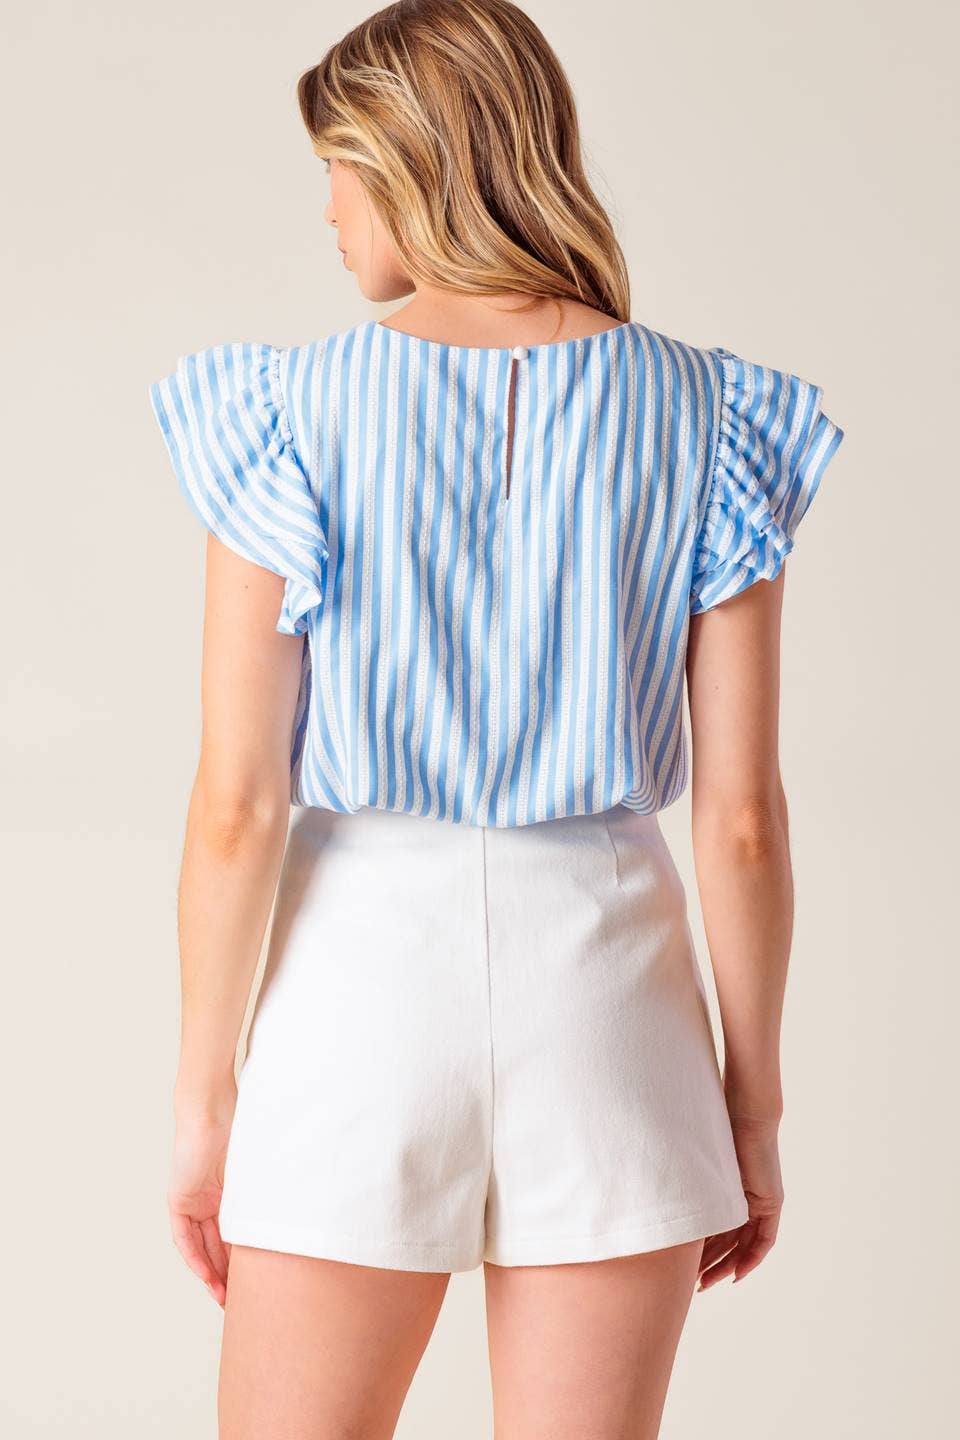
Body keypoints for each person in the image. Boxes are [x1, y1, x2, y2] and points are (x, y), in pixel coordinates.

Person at [146, 1, 845, 1435]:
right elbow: (741, 821)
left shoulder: (287, 414)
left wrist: (206, 1103)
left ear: (406, 163)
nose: (327, 212)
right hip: (614, 993)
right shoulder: (710, 418)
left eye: (336, 168)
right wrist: (752, 1107)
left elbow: (236, 807)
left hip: (355, 989)